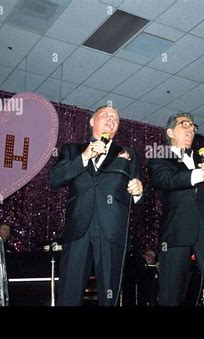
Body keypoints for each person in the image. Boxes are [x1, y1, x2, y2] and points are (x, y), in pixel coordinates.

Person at [50, 106, 144, 306]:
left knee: (109, 294)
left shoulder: (128, 153)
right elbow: (55, 179)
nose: (112, 119)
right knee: (69, 292)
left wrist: (138, 191)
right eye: (106, 115)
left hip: (112, 229)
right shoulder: (72, 150)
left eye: (116, 119)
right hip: (78, 228)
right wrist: (84, 157)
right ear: (92, 121)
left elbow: (138, 193)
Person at [148, 113, 204, 306]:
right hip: (175, 233)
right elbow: (167, 180)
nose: (190, 129)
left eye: (193, 127)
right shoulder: (159, 158)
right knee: (169, 296)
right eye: (184, 125)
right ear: (170, 132)